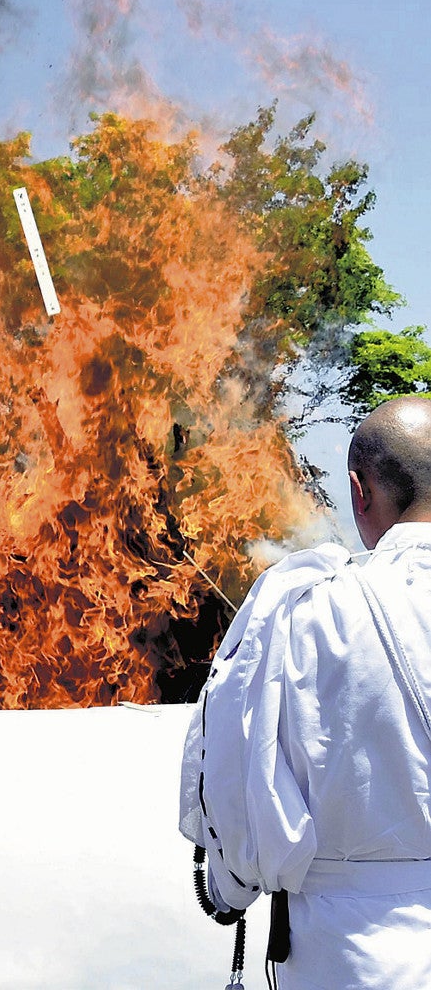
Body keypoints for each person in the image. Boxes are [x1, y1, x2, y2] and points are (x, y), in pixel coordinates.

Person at [180, 394, 431, 989]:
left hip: (351, 953)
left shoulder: (307, 606)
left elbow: (245, 785)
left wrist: (228, 887)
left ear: (359, 490)